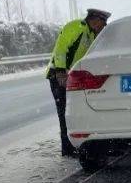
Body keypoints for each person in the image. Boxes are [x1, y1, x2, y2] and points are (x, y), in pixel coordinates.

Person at [46, 8, 111, 156]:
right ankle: (68, 149)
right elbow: (60, 49)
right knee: (64, 112)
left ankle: (74, 146)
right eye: (103, 23)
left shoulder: (92, 34)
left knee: (74, 112)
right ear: (95, 20)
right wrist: (61, 72)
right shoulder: (76, 27)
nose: (104, 26)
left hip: (73, 78)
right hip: (59, 76)